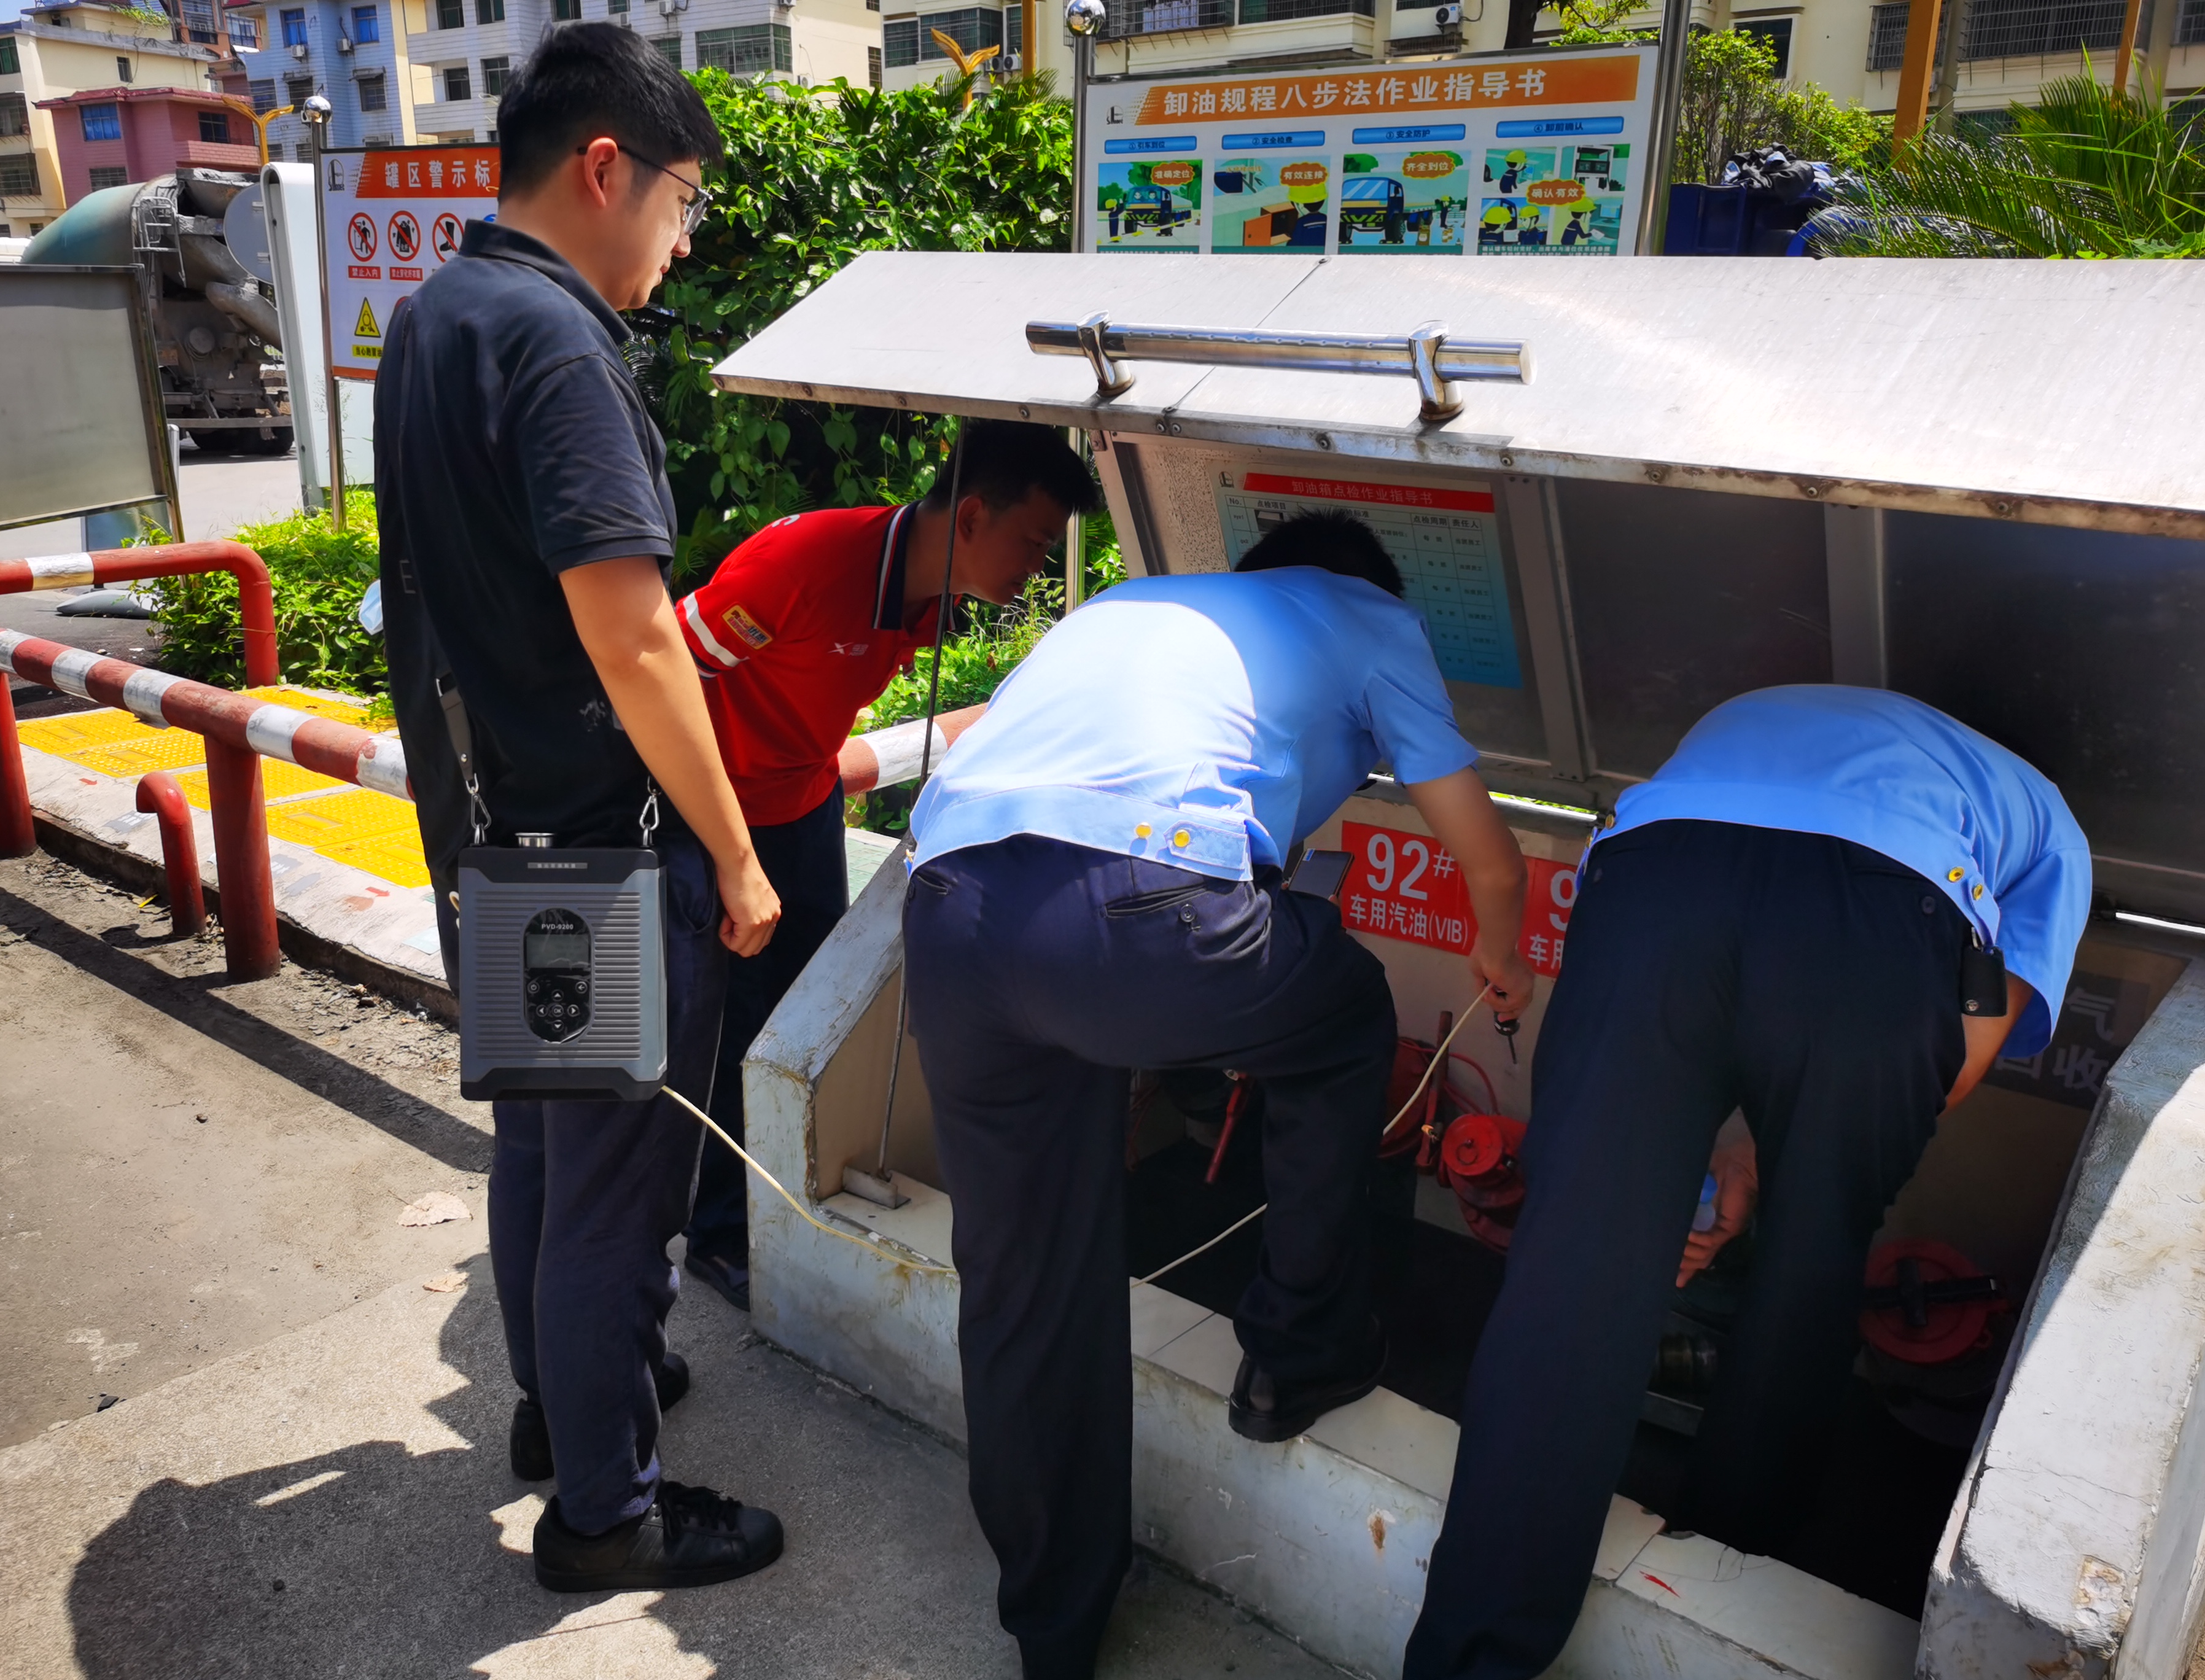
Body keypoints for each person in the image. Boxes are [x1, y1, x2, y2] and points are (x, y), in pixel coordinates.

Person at [901, 511, 1537, 1680]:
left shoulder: (1127, 608)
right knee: (1346, 1014)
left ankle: (1054, 1624)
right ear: (1359, 584)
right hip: (1143, 909)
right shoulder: (1371, 614)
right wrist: (1504, 958)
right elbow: (1491, 861)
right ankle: (1299, 1348)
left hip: (952, 914)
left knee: (1023, 1273)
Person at [1404, 685, 2093, 1680]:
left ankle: (1472, 1653)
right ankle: (1726, 1568)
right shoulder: (2045, 815)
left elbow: (1738, 923)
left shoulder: (1768, 705)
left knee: (1576, 1260)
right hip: (1886, 916)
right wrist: (1808, 1160)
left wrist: (1739, 1153)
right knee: (1814, 1266)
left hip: (1656, 879)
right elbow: (1965, 1048)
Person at [373, 22, 787, 1595]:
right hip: (606, 852)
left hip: (496, 831)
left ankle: (565, 1408)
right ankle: (608, 1516)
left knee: (545, 1154)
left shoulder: (438, 317)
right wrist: (737, 856)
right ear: (605, 167)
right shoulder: (559, 345)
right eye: (683, 201)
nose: (681, 243)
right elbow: (633, 637)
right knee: (618, 1187)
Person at [671, 421, 1099, 1308]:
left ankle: (791, 1202)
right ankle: (719, 1234)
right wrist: (723, 850)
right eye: (1032, 543)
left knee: (810, 1013)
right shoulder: (804, 565)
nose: (1035, 568)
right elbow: (662, 677)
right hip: (720, 818)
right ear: (971, 517)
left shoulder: (930, 594)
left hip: (805, 804)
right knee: (731, 1022)